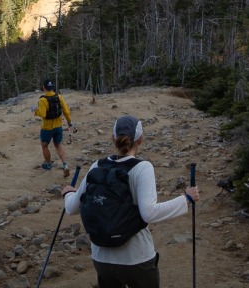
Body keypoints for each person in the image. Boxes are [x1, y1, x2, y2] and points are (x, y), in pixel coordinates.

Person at [62, 115, 200, 288]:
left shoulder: (97, 165)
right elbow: (149, 213)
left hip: (102, 260)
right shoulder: (142, 168)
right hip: (137, 259)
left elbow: (71, 208)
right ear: (141, 138)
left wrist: (68, 193)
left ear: (113, 138)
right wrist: (186, 199)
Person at [35, 79, 74, 176]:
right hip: (58, 126)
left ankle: (48, 164)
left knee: (44, 146)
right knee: (58, 145)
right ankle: (65, 165)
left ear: (44, 87)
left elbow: (43, 114)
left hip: (47, 128)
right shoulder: (59, 97)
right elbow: (66, 110)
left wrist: (35, 110)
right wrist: (69, 121)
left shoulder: (42, 100)